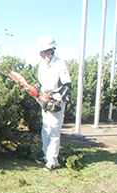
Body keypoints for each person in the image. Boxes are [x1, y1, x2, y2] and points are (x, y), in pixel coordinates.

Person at [34, 35, 72, 171]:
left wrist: (58, 99)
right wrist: (36, 87)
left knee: (54, 131)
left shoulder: (60, 64)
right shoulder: (42, 65)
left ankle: (52, 161)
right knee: (45, 130)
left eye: (42, 52)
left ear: (50, 51)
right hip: (44, 101)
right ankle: (46, 155)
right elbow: (41, 82)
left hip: (56, 103)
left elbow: (67, 86)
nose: (40, 55)